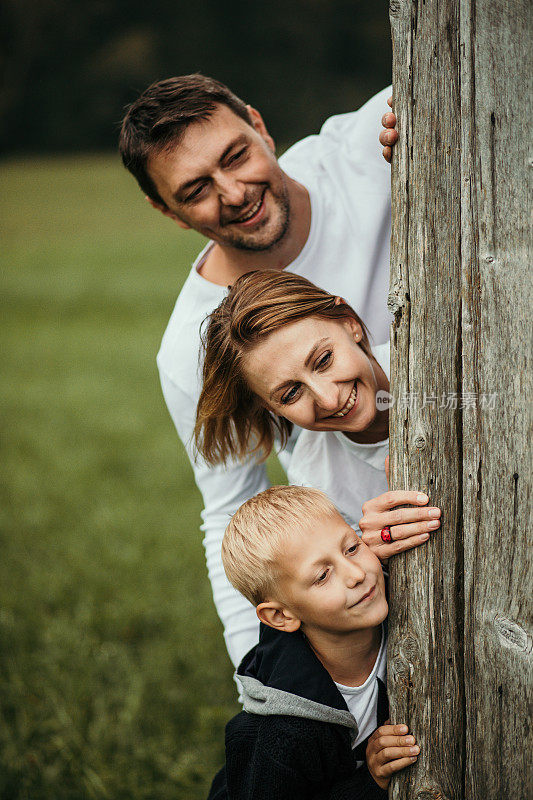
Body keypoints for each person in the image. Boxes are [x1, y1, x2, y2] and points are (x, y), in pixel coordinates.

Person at [119, 74, 395, 668]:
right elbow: (231, 510)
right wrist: (262, 684)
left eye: (236, 156)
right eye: (195, 189)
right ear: (165, 210)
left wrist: (441, 129)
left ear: (260, 126)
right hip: (373, 540)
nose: (235, 192)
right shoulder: (194, 347)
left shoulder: (369, 151)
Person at [196, 270, 441, 560]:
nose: (328, 398)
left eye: (324, 360)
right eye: (290, 394)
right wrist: (369, 554)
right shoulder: (314, 481)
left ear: (350, 324)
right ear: (272, 408)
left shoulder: (442, 368)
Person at [207, 485, 420, 800]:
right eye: (322, 576)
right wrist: (370, 782)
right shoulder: (281, 733)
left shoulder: (404, 602)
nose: (356, 573)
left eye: (351, 548)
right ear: (281, 616)